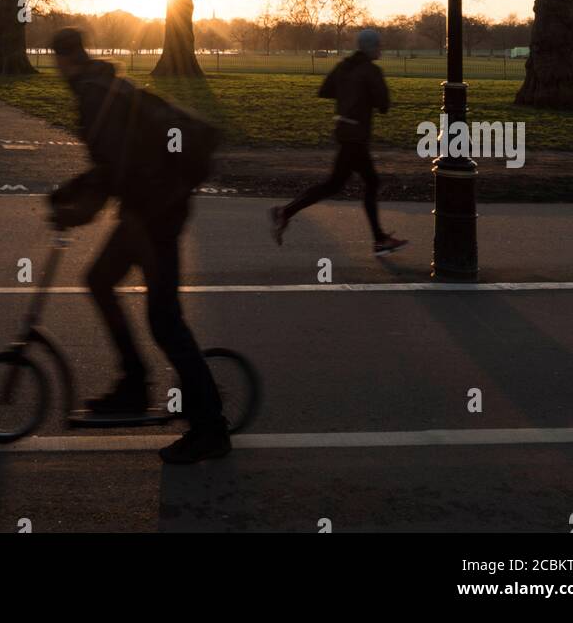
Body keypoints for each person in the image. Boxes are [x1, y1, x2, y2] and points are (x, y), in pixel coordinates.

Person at [49, 27, 230, 466]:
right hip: (146, 206)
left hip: (156, 210)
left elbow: (115, 167)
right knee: (99, 280)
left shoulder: (95, 95)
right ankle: (133, 385)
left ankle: (209, 429)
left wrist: (75, 207)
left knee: (164, 320)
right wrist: (74, 193)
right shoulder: (103, 87)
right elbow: (114, 163)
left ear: (61, 60)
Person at [270, 27, 407, 254]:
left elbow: (325, 90)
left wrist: (347, 95)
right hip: (357, 137)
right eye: (379, 45)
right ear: (371, 47)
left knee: (334, 184)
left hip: (344, 131)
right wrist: (365, 99)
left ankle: (286, 212)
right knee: (369, 183)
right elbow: (383, 105)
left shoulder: (343, 67)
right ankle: (379, 240)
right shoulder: (371, 71)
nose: (381, 49)